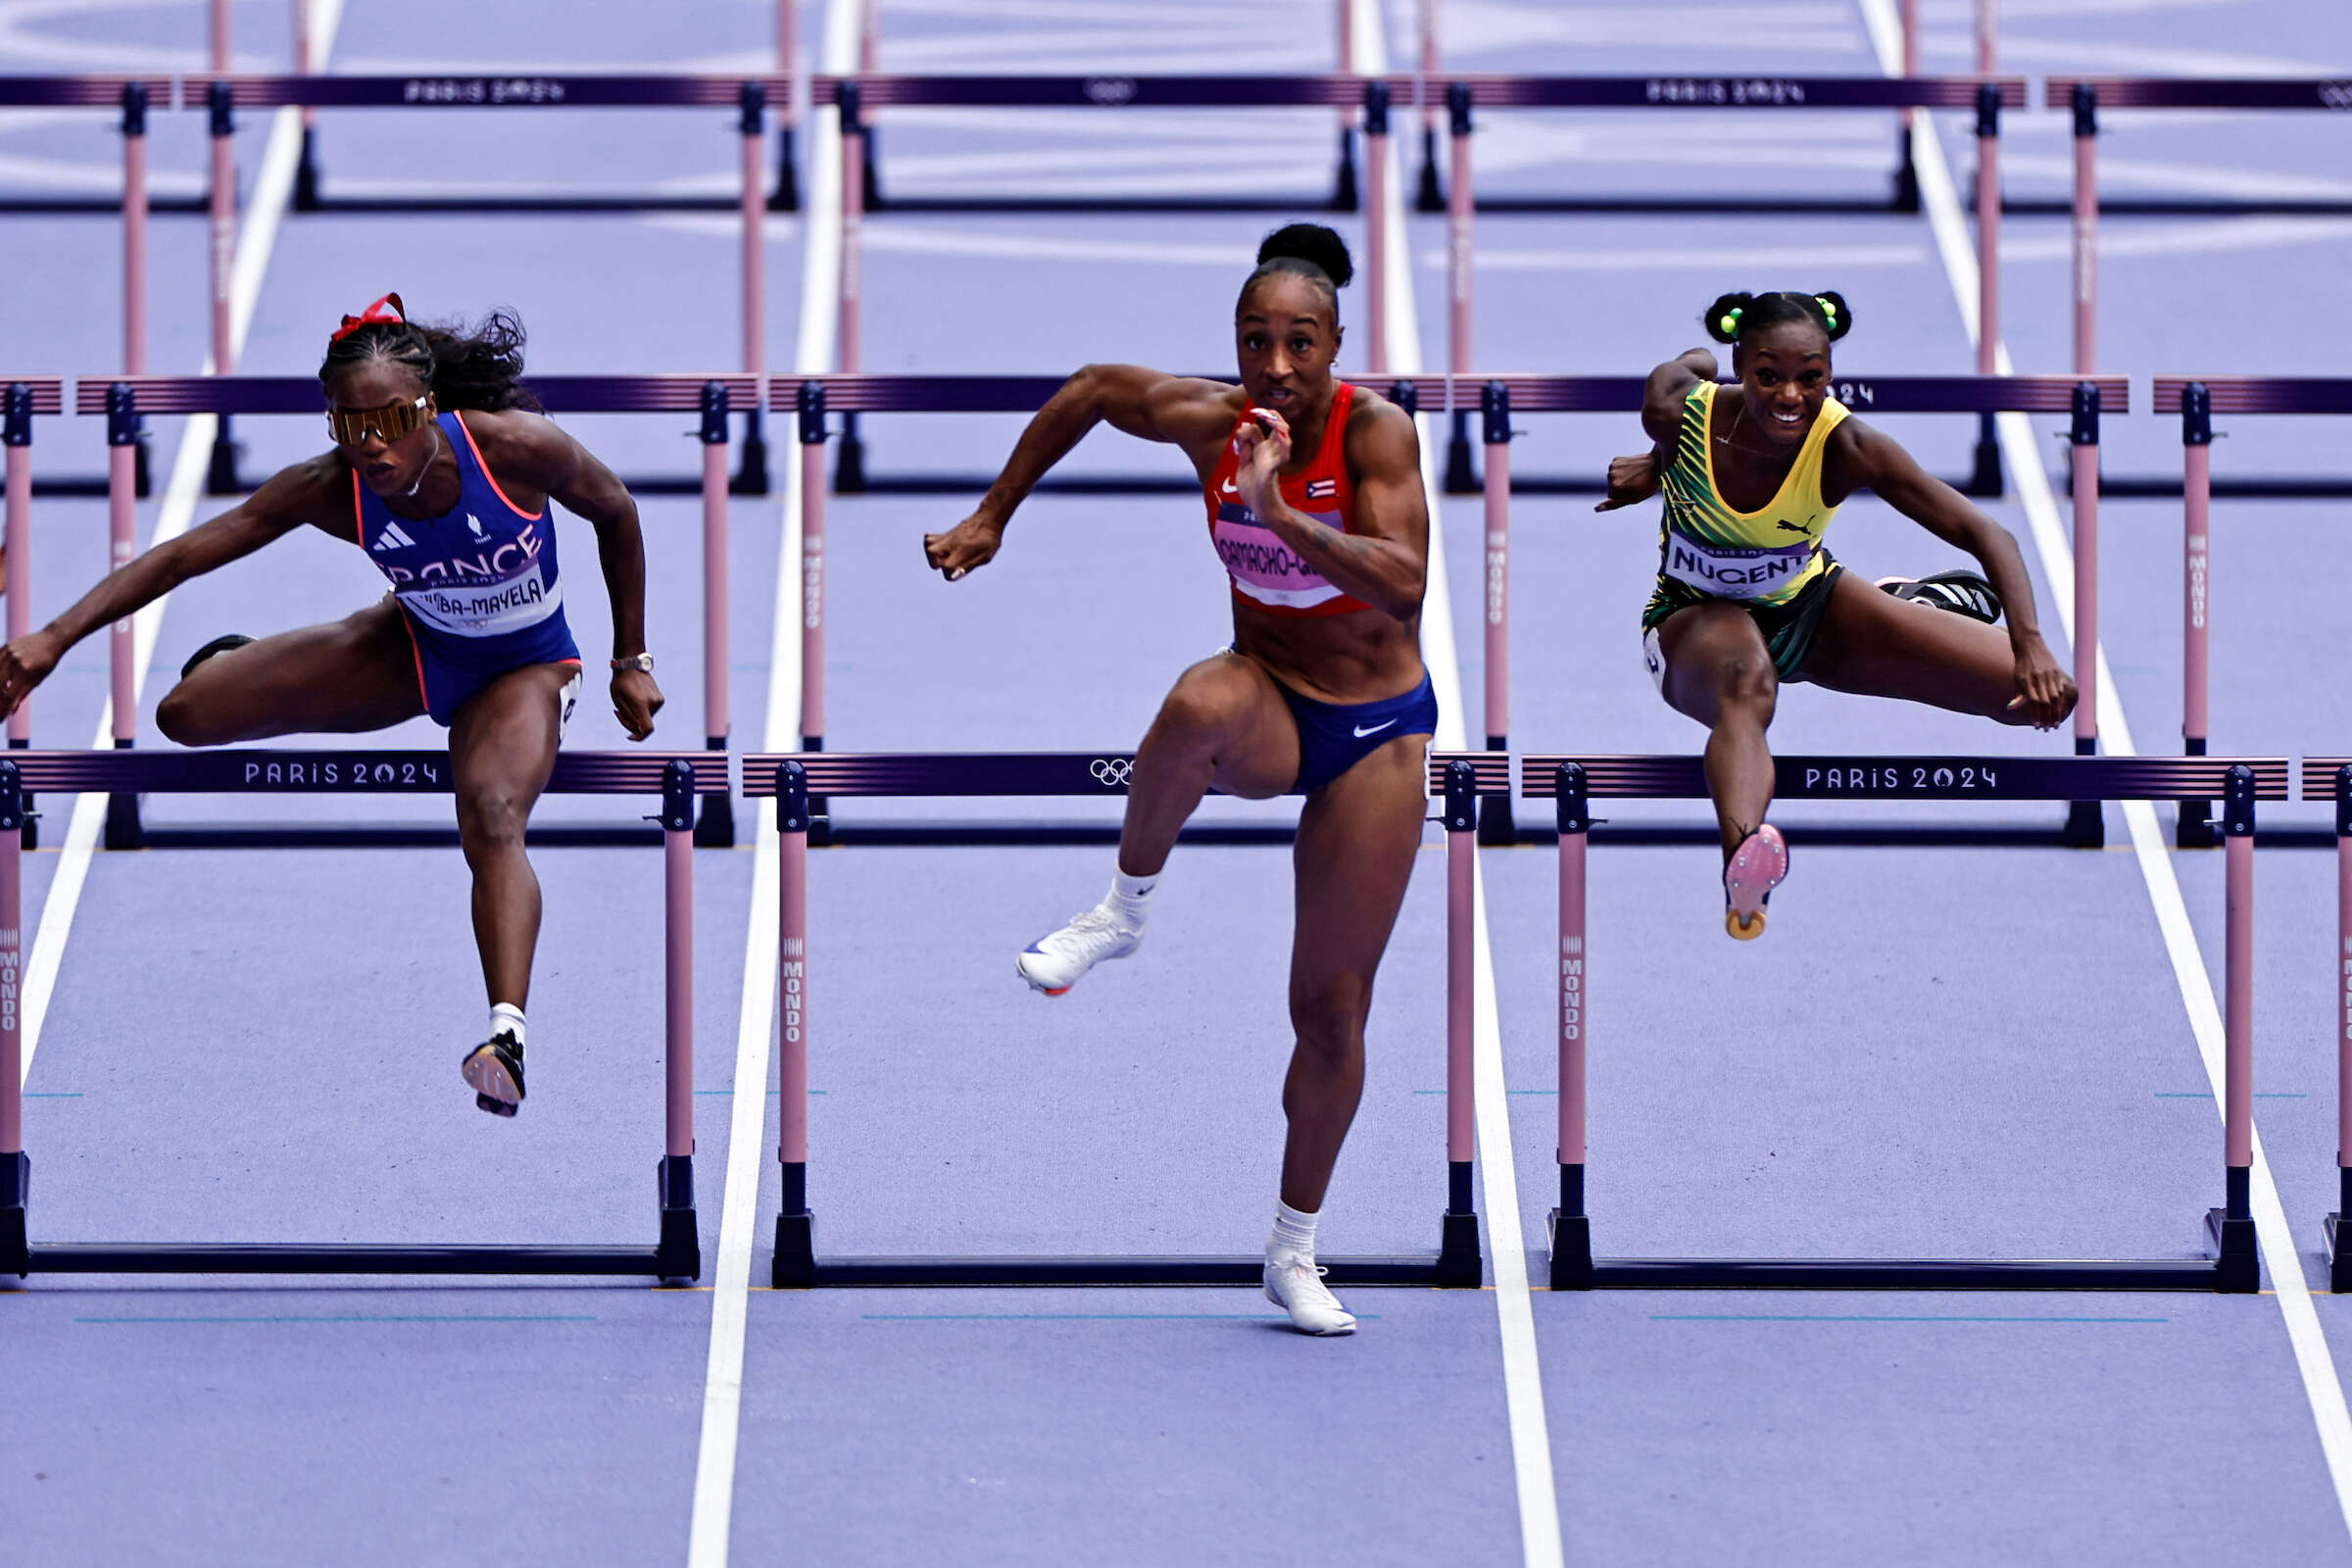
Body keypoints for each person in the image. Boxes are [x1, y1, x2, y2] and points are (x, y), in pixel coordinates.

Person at [922, 224, 1433, 1336]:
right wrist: (992, 513)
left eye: (1303, 344)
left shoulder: (1377, 434)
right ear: (1236, 349)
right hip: (1273, 702)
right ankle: (1124, 908)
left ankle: (1293, 1249)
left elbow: (1403, 584)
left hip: (1378, 731)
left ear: (1337, 344)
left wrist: (1282, 512)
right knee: (1198, 699)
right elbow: (1095, 388)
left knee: (1332, 1013)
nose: (1281, 367)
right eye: (1259, 343)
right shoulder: (1214, 424)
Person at [0, 294, 663, 1116]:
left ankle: (507, 1034)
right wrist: (54, 638)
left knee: (491, 812)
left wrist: (627, 657)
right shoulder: (334, 486)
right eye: (349, 425)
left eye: (388, 419)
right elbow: (180, 557)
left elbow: (617, 513)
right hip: (413, 647)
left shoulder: (515, 451)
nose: (371, 443)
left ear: (428, 408)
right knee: (186, 717)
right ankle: (239, 660)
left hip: (524, 667)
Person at [1601, 289, 2077, 939]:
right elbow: (1690, 365)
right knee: (1747, 682)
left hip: (1809, 610)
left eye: (1811, 378)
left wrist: (2032, 645)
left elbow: (1987, 534)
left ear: (1830, 373)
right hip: (1696, 619)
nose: (1791, 396)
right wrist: (1664, 461)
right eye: (1769, 376)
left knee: (2029, 699)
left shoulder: (1846, 443)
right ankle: (1745, 872)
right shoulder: (1676, 410)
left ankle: (1897, 605)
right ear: (1741, 364)